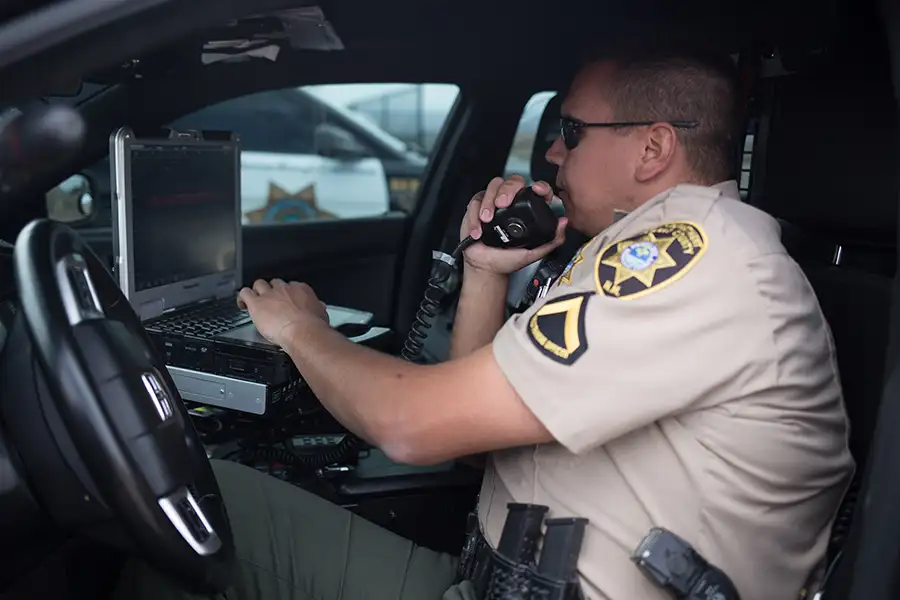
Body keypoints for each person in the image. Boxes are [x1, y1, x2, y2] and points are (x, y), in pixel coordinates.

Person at [114, 49, 855, 600]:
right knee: (185, 499)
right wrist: (486, 273)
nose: (553, 152)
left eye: (570, 129)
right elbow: (472, 447)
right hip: (481, 580)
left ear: (654, 147)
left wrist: (300, 329)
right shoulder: (630, 255)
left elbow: (412, 427)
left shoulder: (692, 256)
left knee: (163, 513)